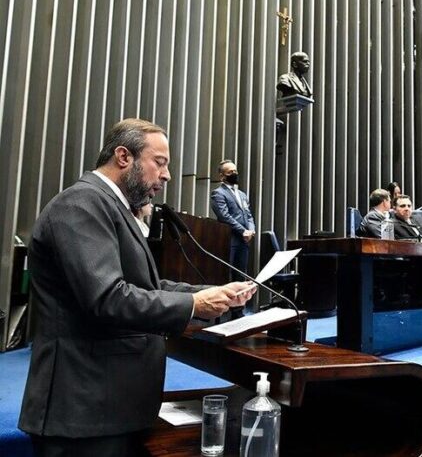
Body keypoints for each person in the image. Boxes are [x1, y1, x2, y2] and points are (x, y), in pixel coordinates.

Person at [19, 118, 256, 457]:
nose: (167, 175)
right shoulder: (82, 204)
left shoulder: (111, 207)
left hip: (110, 405)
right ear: (124, 157)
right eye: (159, 162)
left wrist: (209, 293)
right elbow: (108, 298)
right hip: (84, 412)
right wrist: (193, 306)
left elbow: (145, 285)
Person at [210, 160, 256, 282]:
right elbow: (224, 216)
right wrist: (243, 231)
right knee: (227, 275)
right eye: (230, 172)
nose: (234, 174)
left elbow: (248, 215)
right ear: (222, 176)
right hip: (230, 239)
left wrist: (251, 230)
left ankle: (241, 302)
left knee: (241, 275)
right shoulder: (218, 193)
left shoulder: (242, 195)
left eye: (235, 171)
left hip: (244, 240)